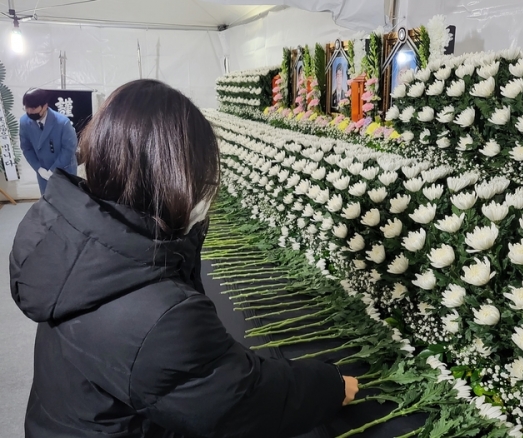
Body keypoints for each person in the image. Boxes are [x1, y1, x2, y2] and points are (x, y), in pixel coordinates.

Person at [10, 79, 359, 438]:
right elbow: (240, 401)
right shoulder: (159, 313)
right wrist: (329, 385)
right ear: (174, 177)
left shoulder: (71, 240)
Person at [19, 88, 78, 195]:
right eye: (26, 108)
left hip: (64, 169)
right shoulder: (24, 122)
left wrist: (53, 170)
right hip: (43, 170)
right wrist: (38, 168)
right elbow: (26, 148)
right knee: (48, 200)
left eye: (33, 108)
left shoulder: (62, 122)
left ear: (45, 106)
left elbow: (69, 149)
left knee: (68, 201)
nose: (29, 112)